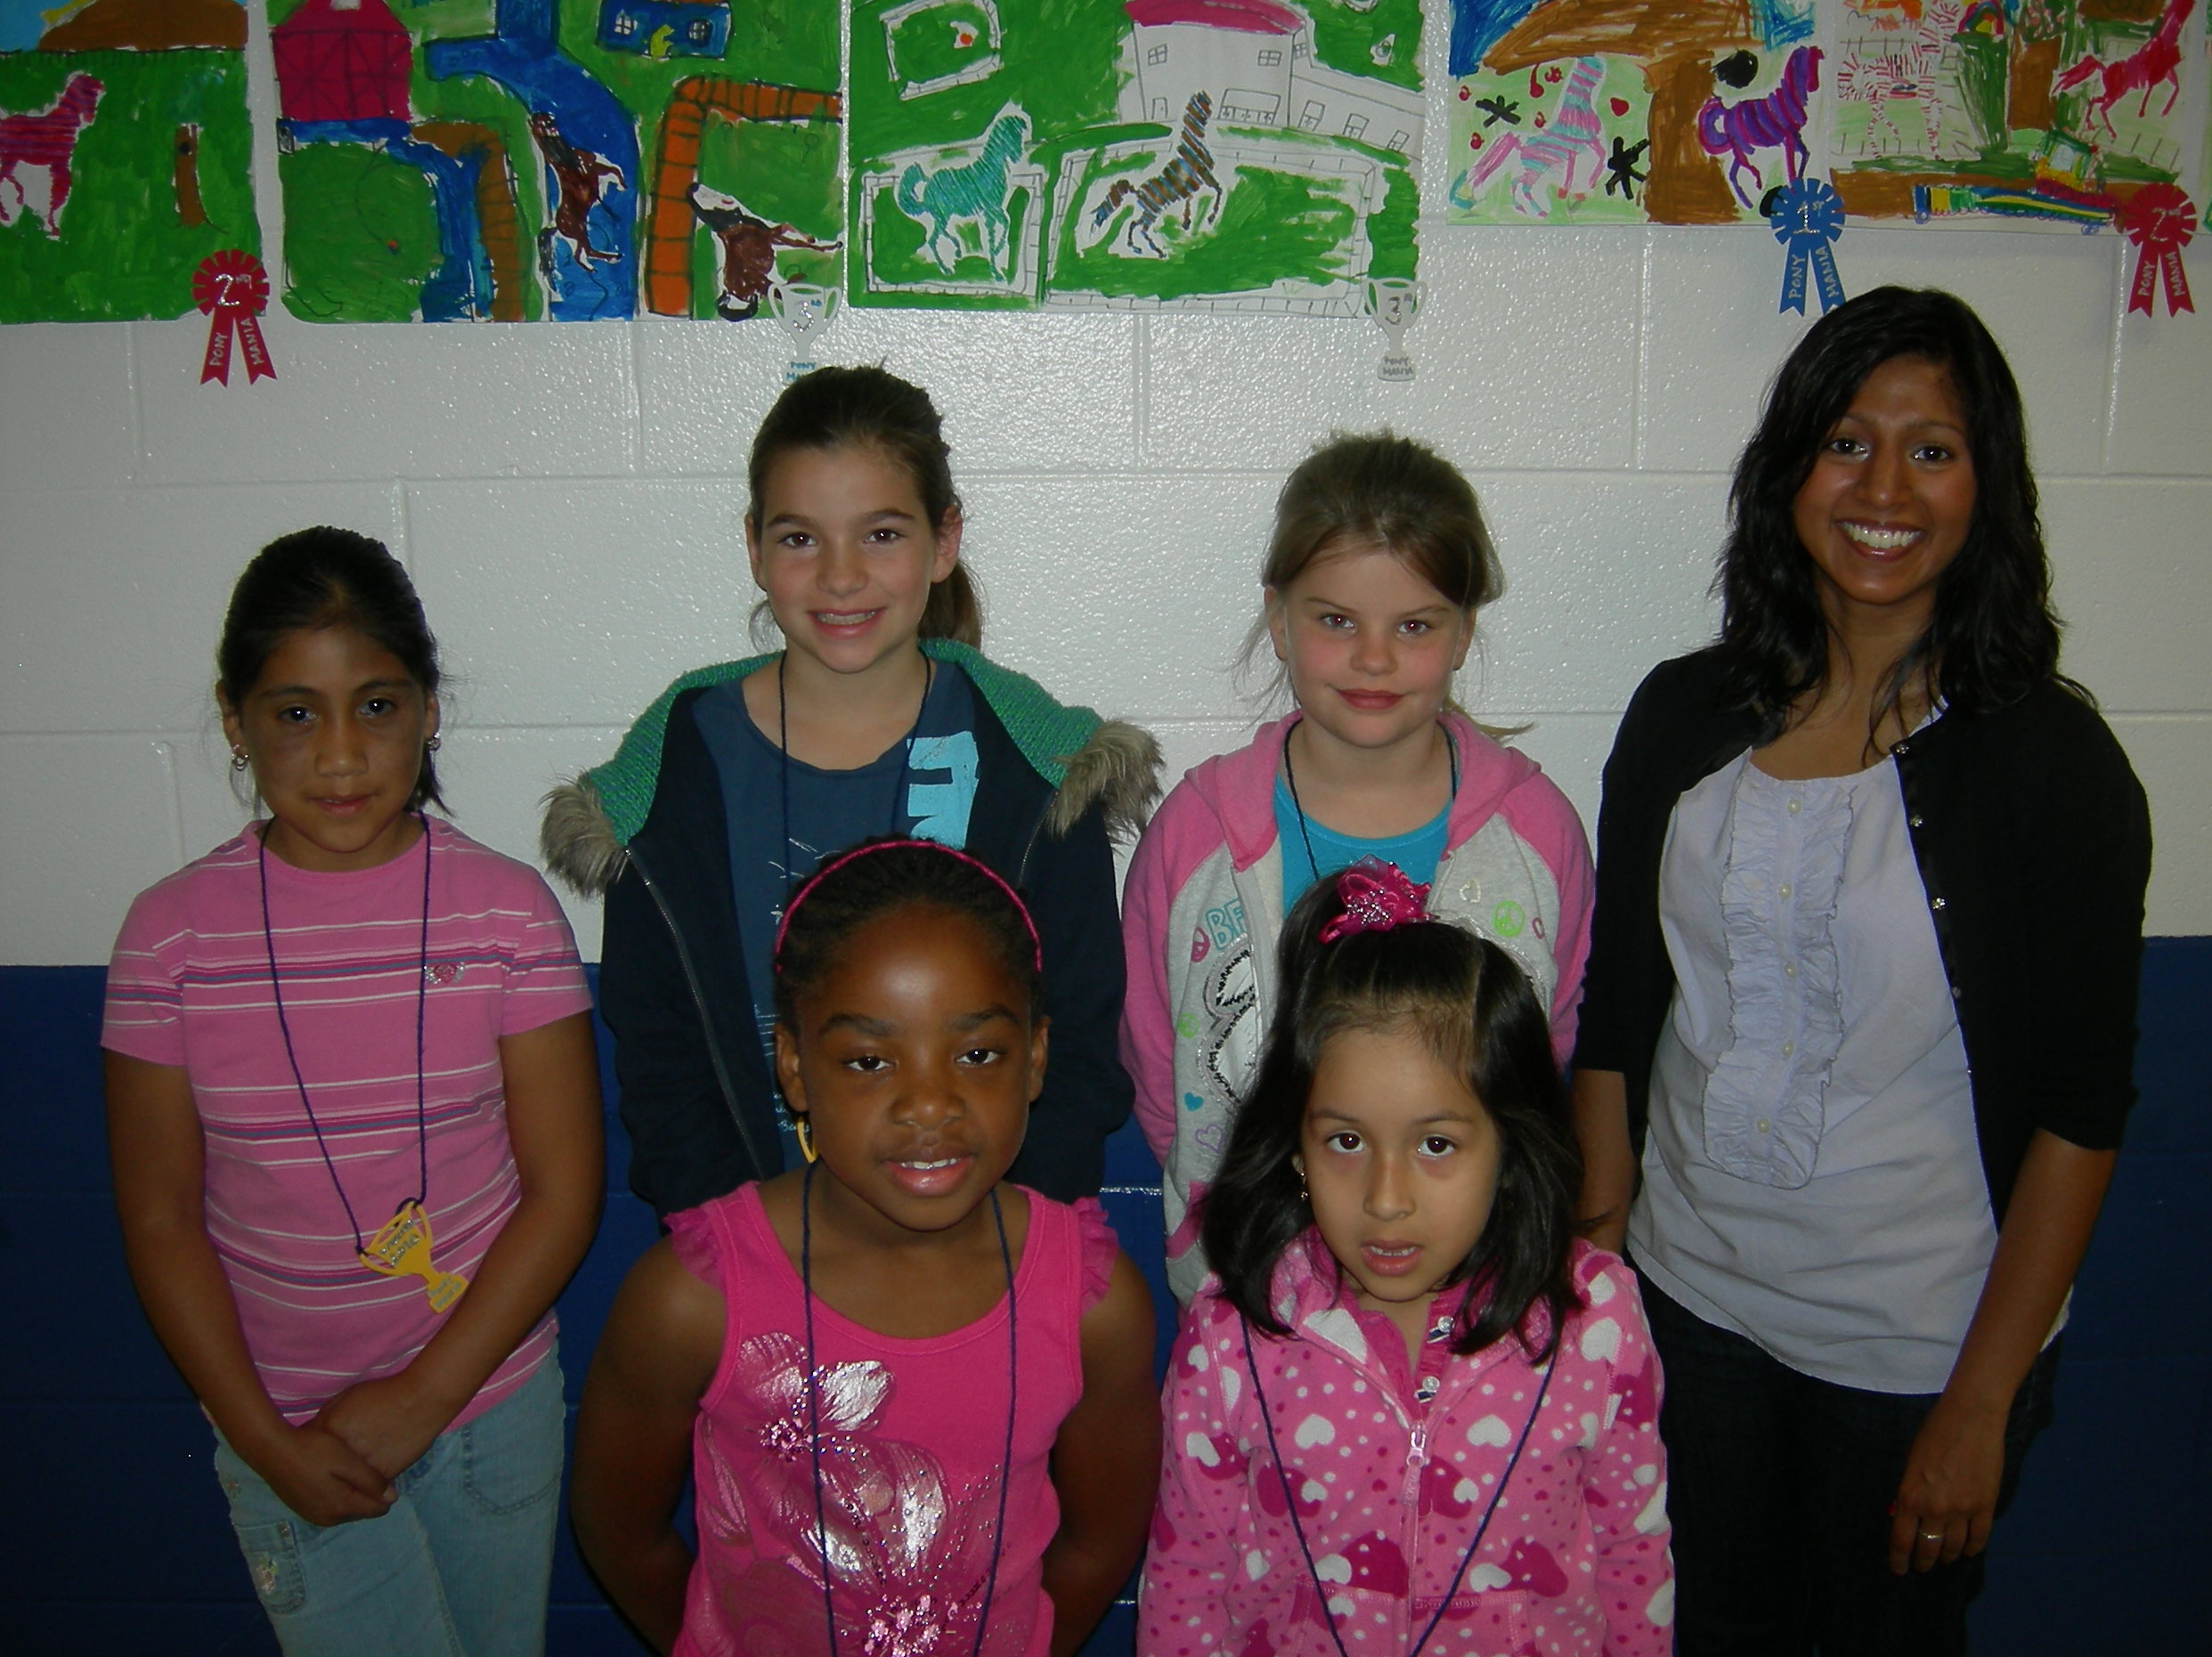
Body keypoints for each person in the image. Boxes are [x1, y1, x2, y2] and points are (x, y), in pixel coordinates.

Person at [1570, 286, 2151, 1653]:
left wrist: (1980, 1404)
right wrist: (1601, 1288)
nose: (1884, 488)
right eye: (1847, 442)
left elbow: (2082, 1112)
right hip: (1691, 1310)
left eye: (1931, 450)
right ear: (1790, 471)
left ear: (1985, 488)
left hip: (1917, 1354)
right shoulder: (1682, 714)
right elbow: (1617, 1020)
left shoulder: (2052, 768)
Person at [102, 527, 604, 1657]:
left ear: (429, 711)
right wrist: (262, 1441)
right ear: (235, 720)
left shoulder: (508, 915)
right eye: (296, 712)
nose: (340, 754)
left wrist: (425, 1397)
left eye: (376, 706)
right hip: (284, 1427)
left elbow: (564, 1194)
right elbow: (160, 1220)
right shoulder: (170, 939)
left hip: (487, 1409)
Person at [545, 365, 1157, 1220]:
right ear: (754, 548)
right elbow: (661, 1058)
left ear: (943, 542)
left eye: (881, 534)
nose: (840, 577)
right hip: (752, 1242)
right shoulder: (678, 769)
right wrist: (734, 1242)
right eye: (800, 538)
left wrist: (1010, 1237)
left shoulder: (1035, 768)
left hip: (992, 1242)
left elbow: (1077, 1047)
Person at [571, 839, 1162, 1657]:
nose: (929, 1104)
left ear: (1035, 1060)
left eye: (977, 1054)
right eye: (869, 1061)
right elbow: (620, 1533)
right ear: (795, 1068)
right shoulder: (694, 1299)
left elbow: (1099, 1544)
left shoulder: (1092, 1304)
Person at [1138, 864, 1671, 1656]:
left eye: (1437, 1145)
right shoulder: (1233, 1337)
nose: (1387, 1199)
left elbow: (1634, 1558)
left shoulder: (1596, 1322)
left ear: (1509, 1145)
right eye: (1346, 1141)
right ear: (1295, 1149)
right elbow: (1187, 1579)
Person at [1122, 432, 1593, 1300]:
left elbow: (1541, 1055)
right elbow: (1159, 1071)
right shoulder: (1197, 836)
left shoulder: (1535, 834)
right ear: (1279, 621)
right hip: (1250, 1291)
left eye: (1415, 625)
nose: (1374, 659)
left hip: (1469, 1292)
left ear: (1463, 633)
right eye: (1336, 621)